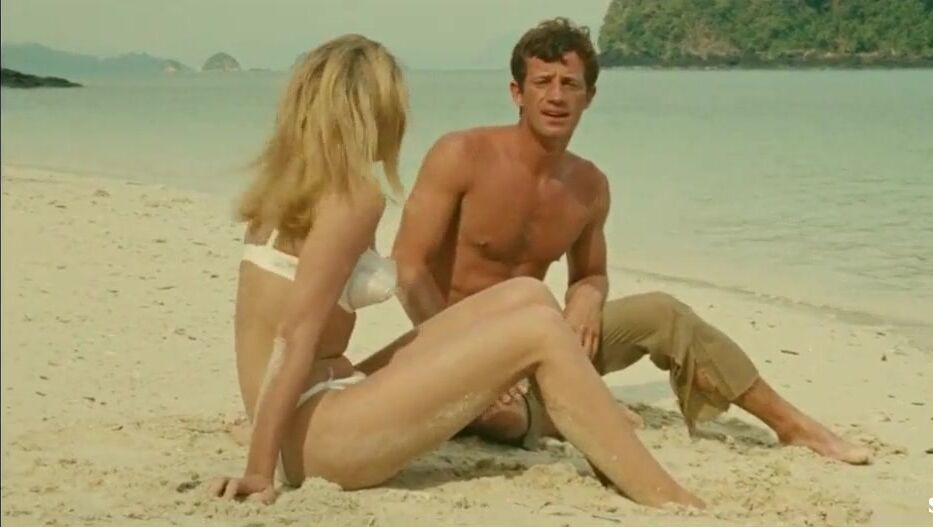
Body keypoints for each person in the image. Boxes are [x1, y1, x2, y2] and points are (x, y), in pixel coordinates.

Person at [208, 33, 703, 508]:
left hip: (314, 410)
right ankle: (664, 494)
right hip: (322, 439)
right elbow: (294, 336)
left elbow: (270, 333)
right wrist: (260, 470)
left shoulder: (289, 190)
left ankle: (558, 411)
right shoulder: (353, 199)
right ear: (372, 109)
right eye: (396, 102)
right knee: (540, 329)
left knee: (526, 294)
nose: (402, 117)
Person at [390, 18, 872, 465]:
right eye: (542, 82)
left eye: (570, 84)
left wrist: (585, 297)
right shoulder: (461, 155)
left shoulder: (589, 186)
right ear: (517, 92)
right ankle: (558, 411)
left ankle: (792, 426)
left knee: (663, 313)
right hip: (452, 348)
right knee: (503, 417)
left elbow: (591, 272)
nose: (556, 96)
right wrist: (466, 359)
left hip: (535, 345)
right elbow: (408, 268)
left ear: (589, 96)